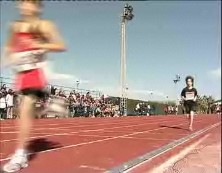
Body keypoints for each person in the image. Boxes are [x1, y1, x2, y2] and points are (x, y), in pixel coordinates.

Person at [2, 0, 66, 172]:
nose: (25, 6)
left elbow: (61, 45)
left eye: (29, 3)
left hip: (37, 70)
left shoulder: (44, 25)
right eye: (22, 3)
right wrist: (6, 59)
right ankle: (48, 104)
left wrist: (40, 45)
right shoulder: (15, 26)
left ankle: (20, 155)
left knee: (24, 109)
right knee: (22, 112)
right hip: (21, 72)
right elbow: (9, 47)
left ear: (38, 6)